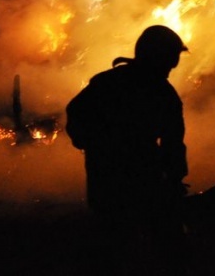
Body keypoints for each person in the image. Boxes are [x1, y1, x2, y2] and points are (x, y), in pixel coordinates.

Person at [66, 25, 190, 275]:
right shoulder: (162, 94)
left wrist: (90, 143)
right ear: (157, 56)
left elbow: (76, 115)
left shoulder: (107, 83)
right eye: (170, 60)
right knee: (164, 246)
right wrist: (174, 180)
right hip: (138, 181)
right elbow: (173, 144)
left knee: (113, 247)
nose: (171, 68)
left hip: (108, 180)